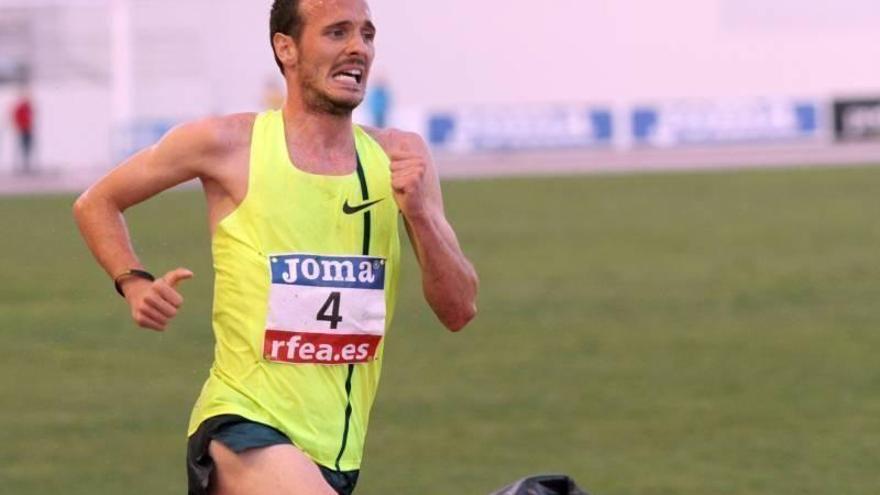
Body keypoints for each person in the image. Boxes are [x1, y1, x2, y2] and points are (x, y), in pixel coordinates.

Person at [72, 1, 479, 494]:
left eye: (366, 34)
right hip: (243, 423)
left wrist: (419, 214)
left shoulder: (400, 158)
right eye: (336, 33)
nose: (358, 48)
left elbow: (459, 308)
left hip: (337, 449)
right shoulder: (226, 144)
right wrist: (133, 281)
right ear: (286, 48)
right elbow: (98, 202)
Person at [11, 87, 34, 174]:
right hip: (22, 129)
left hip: (28, 129)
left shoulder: (28, 107)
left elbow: (31, 117)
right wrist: (18, 126)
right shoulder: (20, 107)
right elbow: (16, 117)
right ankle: (19, 166)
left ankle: (27, 165)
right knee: (21, 147)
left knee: (27, 148)